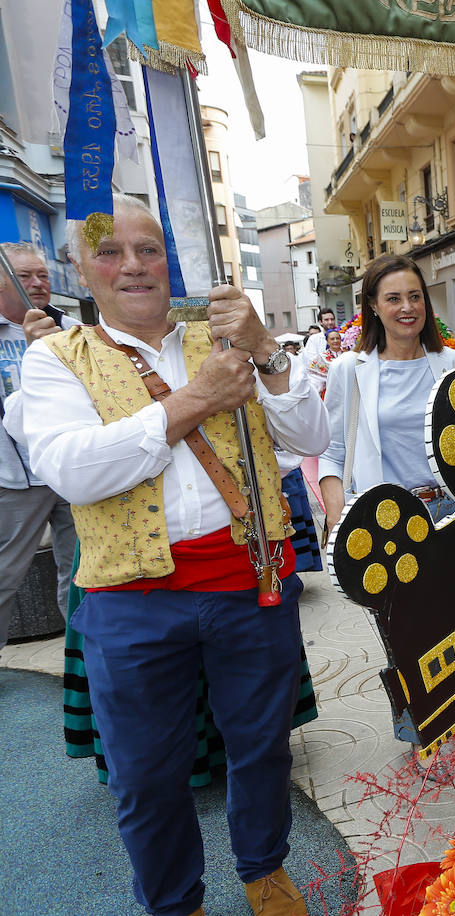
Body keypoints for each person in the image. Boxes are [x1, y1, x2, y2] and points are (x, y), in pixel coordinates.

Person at [20, 194, 329, 916]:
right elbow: (72, 470)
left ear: (170, 258)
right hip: (130, 604)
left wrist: (265, 352)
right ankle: (173, 903)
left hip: (251, 585)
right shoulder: (53, 360)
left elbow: (312, 437)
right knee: (145, 777)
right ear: (80, 268)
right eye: (109, 251)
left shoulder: (225, 339)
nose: (132, 265)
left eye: (148, 249)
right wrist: (196, 399)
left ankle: (264, 870)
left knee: (262, 749)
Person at [319, 254, 455, 540]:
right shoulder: (349, 369)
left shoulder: (452, 363)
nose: (407, 307)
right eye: (394, 299)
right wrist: (338, 519)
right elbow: (332, 452)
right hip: (383, 521)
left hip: (453, 513)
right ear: (373, 305)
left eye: (414, 296)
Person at [0, 242, 80, 661]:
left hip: (69, 468)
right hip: (12, 477)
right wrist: (35, 354)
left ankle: (81, 655)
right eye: (25, 275)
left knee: (80, 568)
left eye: (43, 275)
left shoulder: (68, 327)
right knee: (5, 573)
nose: (37, 284)